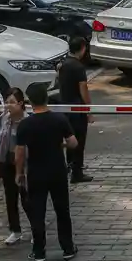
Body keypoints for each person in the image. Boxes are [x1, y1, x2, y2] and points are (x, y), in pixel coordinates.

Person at [16, 83, 78, 261]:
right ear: (46, 98)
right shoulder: (59, 119)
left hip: (36, 172)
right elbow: (73, 142)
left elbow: (20, 152)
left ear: (30, 102)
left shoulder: (25, 125)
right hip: (57, 170)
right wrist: (61, 144)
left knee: (38, 212)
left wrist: (19, 173)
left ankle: (39, 251)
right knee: (62, 210)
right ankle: (67, 248)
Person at [0, 88, 31, 245]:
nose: (8, 106)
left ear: (21, 103)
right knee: (11, 198)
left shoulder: (27, 122)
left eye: (11, 102)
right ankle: (15, 230)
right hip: (7, 162)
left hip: (24, 164)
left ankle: (36, 228)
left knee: (27, 199)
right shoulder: (5, 119)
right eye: (6, 102)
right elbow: (0, 140)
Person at [56, 34, 92, 183]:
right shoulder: (78, 67)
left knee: (69, 138)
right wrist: (88, 109)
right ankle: (77, 172)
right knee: (79, 140)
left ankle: (69, 165)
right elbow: (83, 88)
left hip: (65, 107)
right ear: (82, 49)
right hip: (77, 109)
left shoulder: (63, 64)